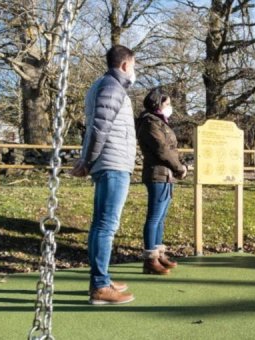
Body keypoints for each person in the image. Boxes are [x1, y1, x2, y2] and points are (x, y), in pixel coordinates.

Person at [70, 45, 137, 305]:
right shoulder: (112, 87)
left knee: (101, 224)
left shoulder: (105, 85)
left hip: (110, 162)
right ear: (124, 65)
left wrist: (88, 159)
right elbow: (99, 128)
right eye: (134, 64)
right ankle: (99, 285)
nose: (134, 70)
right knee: (106, 225)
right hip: (112, 163)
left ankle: (102, 278)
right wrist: (87, 160)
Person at [135, 87, 187, 275]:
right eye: (167, 103)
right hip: (157, 173)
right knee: (154, 217)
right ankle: (150, 259)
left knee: (161, 217)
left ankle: (159, 253)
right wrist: (179, 167)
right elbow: (162, 149)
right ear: (158, 104)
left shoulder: (159, 122)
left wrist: (177, 168)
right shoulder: (150, 122)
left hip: (166, 174)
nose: (170, 107)